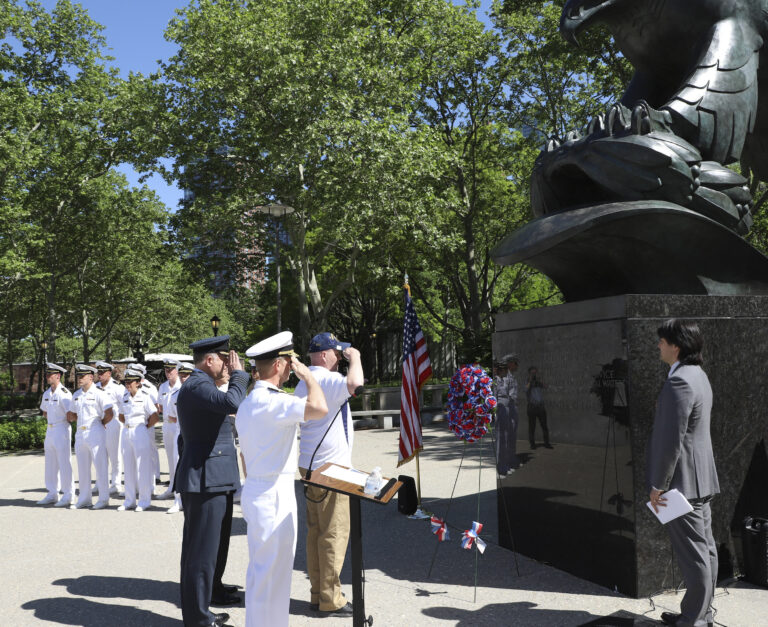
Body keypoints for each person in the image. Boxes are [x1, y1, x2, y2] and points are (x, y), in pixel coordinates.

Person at [236, 331, 328, 627]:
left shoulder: (250, 401)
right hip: (274, 492)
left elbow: (244, 457)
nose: (293, 368)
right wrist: (310, 378)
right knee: (271, 574)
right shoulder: (274, 402)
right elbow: (320, 408)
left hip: (257, 487)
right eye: (290, 363)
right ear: (278, 365)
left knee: (266, 572)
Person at [648, 319, 719, 627]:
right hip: (700, 478)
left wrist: (658, 486)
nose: (658, 346)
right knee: (705, 551)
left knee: (695, 556)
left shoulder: (679, 381)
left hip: (682, 484)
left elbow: (669, 440)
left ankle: (693, 620)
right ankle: (700, 612)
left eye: (662, 341)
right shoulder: (697, 375)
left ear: (675, 346)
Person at [176, 335, 248, 627]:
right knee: (200, 554)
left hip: (213, 478)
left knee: (215, 546)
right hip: (205, 481)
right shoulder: (196, 385)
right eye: (224, 360)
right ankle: (198, 619)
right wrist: (240, 375)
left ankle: (213, 590)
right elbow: (232, 401)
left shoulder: (202, 385)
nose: (227, 366)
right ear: (209, 360)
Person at [295, 332, 363, 616]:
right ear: (324, 355)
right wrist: (356, 357)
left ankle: (317, 594)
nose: (341, 357)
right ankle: (330, 599)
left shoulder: (305, 380)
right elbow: (355, 383)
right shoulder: (325, 379)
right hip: (331, 470)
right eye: (338, 352)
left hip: (312, 466)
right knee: (333, 534)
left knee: (316, 533)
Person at [66, 364, 114, 510]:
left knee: (100, 467)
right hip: (80, 432)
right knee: (82, 467)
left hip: (95, 431)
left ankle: (104, 498)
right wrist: (72, 417)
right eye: (78, 376)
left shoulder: (99, 393)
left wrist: (100, 423)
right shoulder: (76, 394)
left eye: (82, 376)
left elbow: (109, 413)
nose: (79, 379)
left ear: (91, 377)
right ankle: (85, 498)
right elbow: (72, 414)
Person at [117, 368, 160, 512]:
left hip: (140, 430)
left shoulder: (145, 396)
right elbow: (121, 416)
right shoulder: (125, 397)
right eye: (126, 382)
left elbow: (154, 416)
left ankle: (144, 500)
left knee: (143, 468)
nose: (128, 384)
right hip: (127, 431)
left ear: (138, 383)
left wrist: (144, 427)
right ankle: (129, 500)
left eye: (130, 382)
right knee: (128, 467)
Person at [38, 362, 74, 507]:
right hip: (50, 429)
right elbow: (44, 412)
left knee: (64, 462)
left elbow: (70, 414)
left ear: (57, 376)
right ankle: (52, 493)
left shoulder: (64, 393)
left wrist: (61, 424)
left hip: (61, 428)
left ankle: (68, 495)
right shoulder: (47, 393)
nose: (47, 377)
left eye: (49, 374)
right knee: (50, 463)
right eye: (46, 374)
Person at [166, 362, 193, 515]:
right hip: (180, 433)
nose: (184, 378)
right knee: (178, 467)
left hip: (195, 434)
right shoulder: (175, 395)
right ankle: (178, 501)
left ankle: (191, 499)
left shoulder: (198, 392)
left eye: (187, 375)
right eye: (182, 375)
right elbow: (171, 416)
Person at [95, 361, 126, 496]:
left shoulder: (117, 387)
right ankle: (100, 483)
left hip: (113, 423)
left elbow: (124, 405)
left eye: (102, 373)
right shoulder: (95, 387)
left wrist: (122, 422)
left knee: (115, 455)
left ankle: (116, 483)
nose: (100, 375)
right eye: (98, 372)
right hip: (98, 424)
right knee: (98, 455)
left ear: (109, 373)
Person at [130, 363, 161, 486]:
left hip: (148, 423)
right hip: (135, 424)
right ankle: (139, 477)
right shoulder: (129, 385)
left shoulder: (149, 387)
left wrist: (148, 424)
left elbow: (157, 406)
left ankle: (155, 475)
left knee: (151, 449)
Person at [157, 358, 182, 500]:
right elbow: (160, 406)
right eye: (166, 370)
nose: (168, 373)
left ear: (177, 370)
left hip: (178, 426)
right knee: (170, 458)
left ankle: (179, 490)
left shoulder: (182, 386)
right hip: (167, 425)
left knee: (178, 458)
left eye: (171, 370)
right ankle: (172, 487)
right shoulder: (163, 387)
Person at [493, 353, 520, 475]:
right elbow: (495, 397)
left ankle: (506, 464)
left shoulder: (507, 378)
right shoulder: (497, 380)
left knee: (507, 437)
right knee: (501, 439)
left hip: (508, 408)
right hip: (502, 408)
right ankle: (501, 466)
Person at [526, 366, 551, 449]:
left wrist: (539, 380)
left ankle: (547, 443)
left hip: (540, 407)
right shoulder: (527, 382)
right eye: (532, 373)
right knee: (532, 427)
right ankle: (532, 444)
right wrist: (530, 381)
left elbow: (546, 386)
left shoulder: (538, 382)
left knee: (544, 426)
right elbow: (525, 390)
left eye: (535, 373)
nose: (534, 374)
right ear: (529, 374)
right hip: (532, 407)